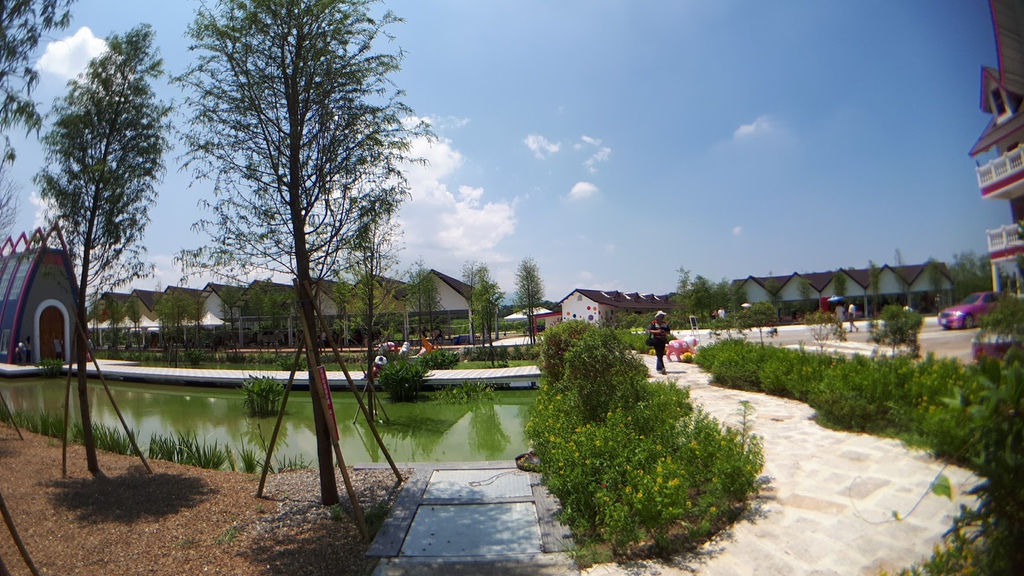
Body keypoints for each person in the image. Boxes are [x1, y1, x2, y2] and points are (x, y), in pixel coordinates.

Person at [647, 311, 672, 375]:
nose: (663, 318)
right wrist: (657, 331)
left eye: (663, 317)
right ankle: (662, 368)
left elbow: (668, 332)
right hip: (656, 340)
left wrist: (664, 333)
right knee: (659, 354)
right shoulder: (653, 323)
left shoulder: (665, 324)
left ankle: (658, 367)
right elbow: (650, 330)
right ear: (658, 317)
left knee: (661, 354)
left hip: (662, 340)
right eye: (661, 317)